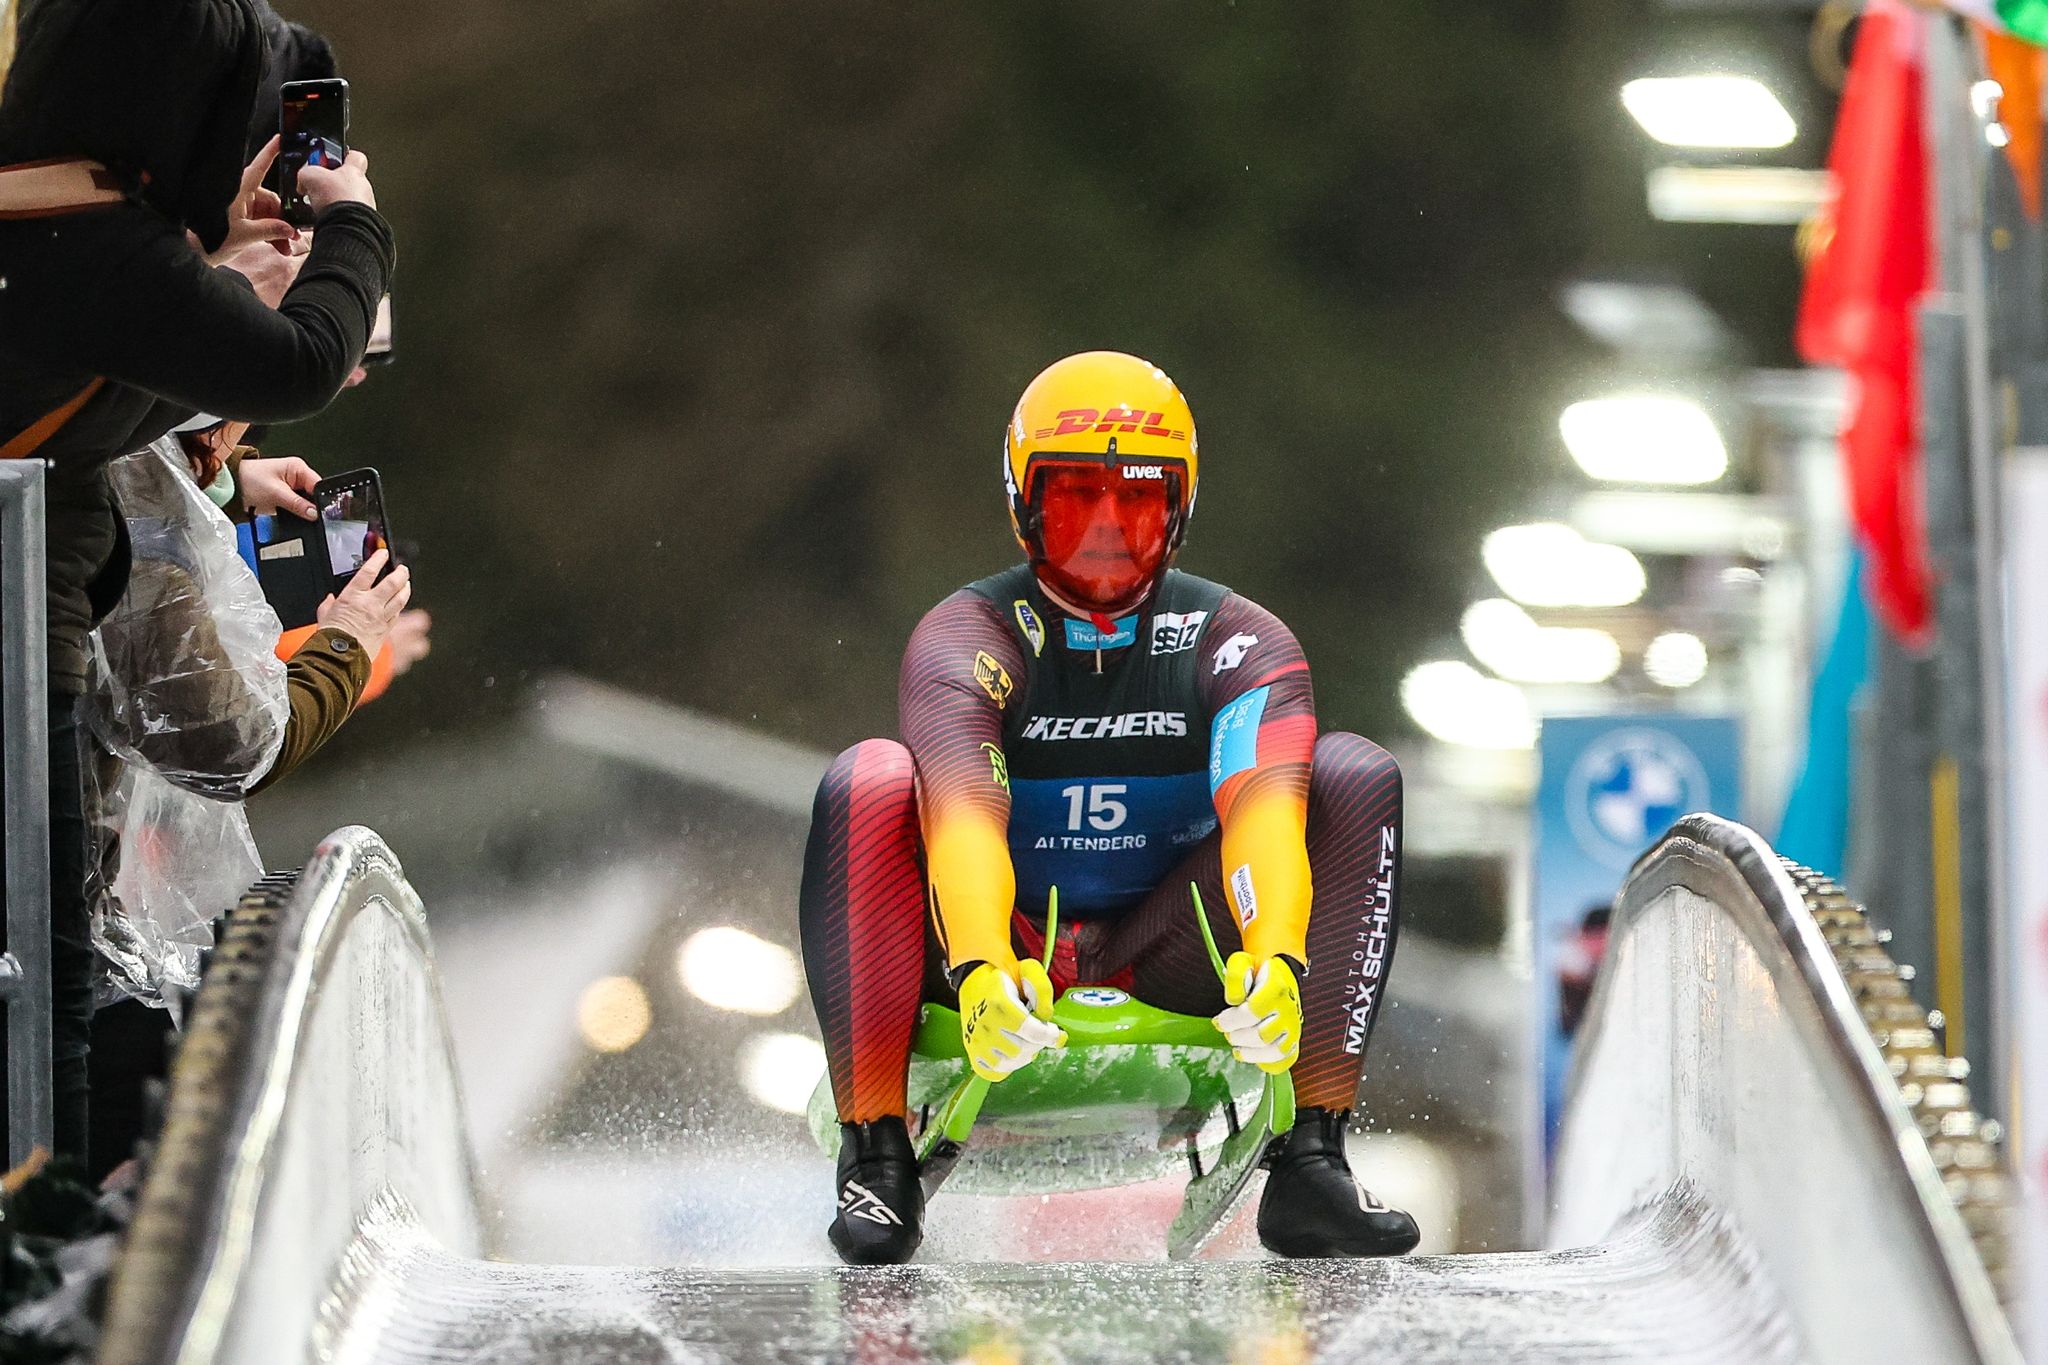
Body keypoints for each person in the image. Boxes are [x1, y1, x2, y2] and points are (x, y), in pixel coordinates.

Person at [798, 351, 1419, 1264]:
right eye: (1072, 501)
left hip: (1166, 945)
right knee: (873, 779)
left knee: (1353, 773)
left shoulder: (1240, 640)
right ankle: (877, 1152)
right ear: (1022, 505)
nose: (1102, 534)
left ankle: (1312, 1156)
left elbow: (1264, 815)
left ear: (1180, 508)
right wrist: (977, 966)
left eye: (1135, 502)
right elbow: (964, 817)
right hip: (1004, 946)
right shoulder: (965, 636)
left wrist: (1278, 956)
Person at [0, 0, 392, 1160]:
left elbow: (73, 403)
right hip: (23, 679)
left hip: (35, 656)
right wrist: (353, 226)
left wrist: (214, 463)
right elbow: (302, 361)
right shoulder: (87, 239)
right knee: (48, 1034)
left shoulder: (45, 222)